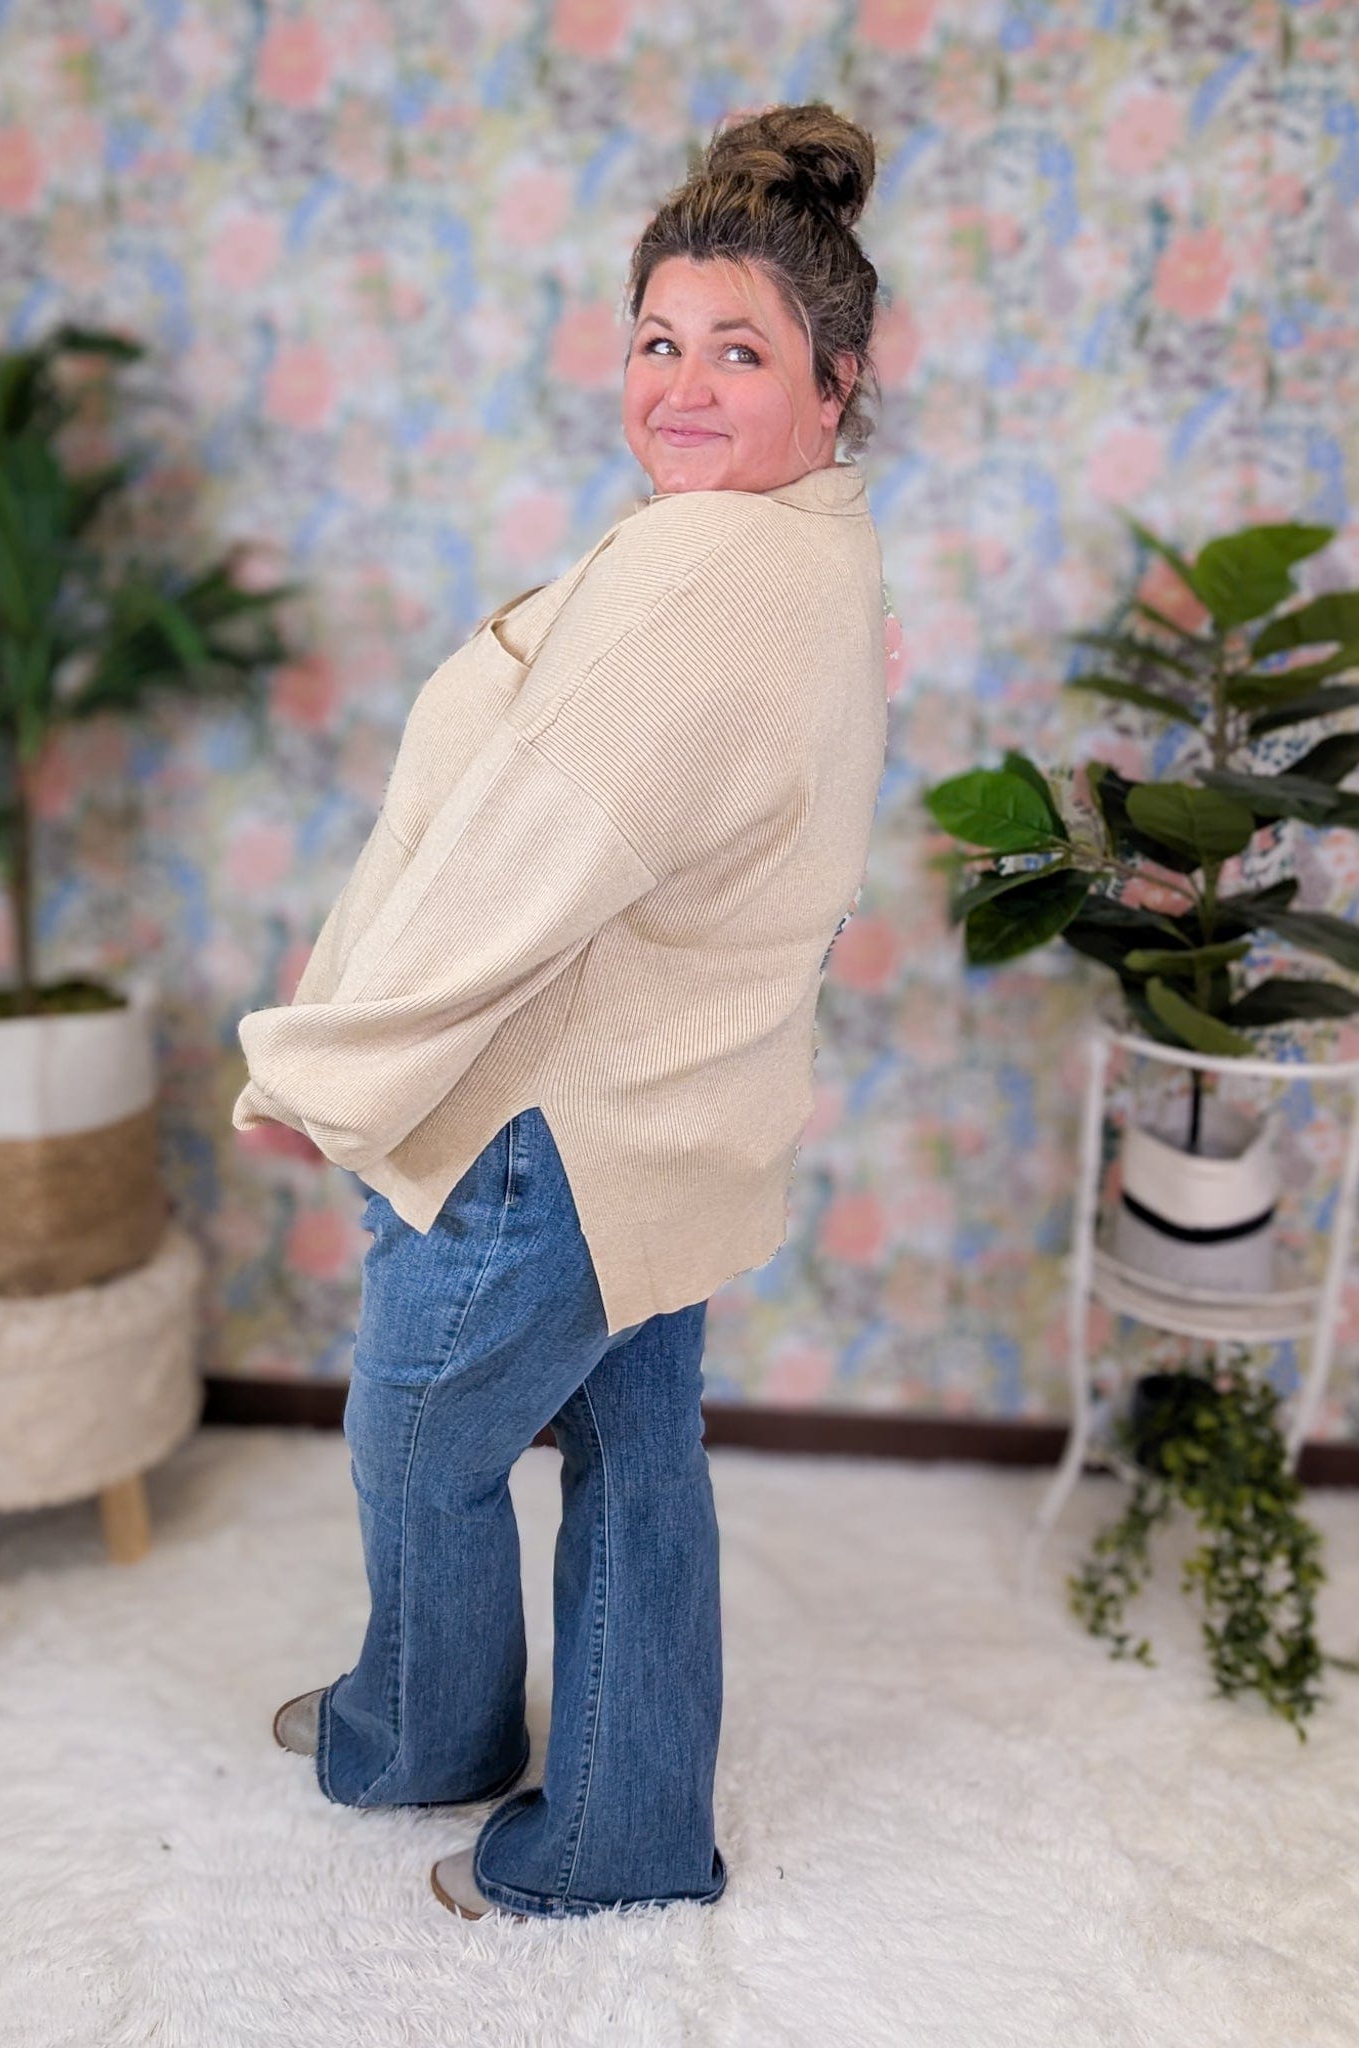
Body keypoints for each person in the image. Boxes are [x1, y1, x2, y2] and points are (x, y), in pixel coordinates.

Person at [232, 100, 889, 1922]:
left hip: (560, 1130)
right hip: (676, 1115)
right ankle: (612, 1821)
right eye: (655, 341)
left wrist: (324, 1065)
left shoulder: (706, 569)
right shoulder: (803, 545)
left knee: (414, 1446)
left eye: (737, 351)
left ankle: (434, 1747)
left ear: (837, 381)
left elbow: (525, 859)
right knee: (632, 1452)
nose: (679, 386)